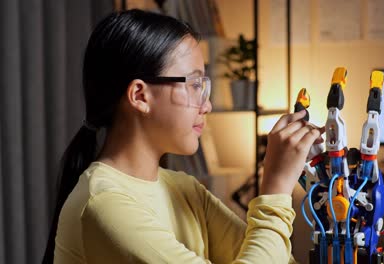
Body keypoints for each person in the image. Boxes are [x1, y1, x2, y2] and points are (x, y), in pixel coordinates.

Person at [42, 9, 324, 264]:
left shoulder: (186, 190)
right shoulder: (104, 205)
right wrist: (275, 188)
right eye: (194, 84)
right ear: (140, 95)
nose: (207, 105)